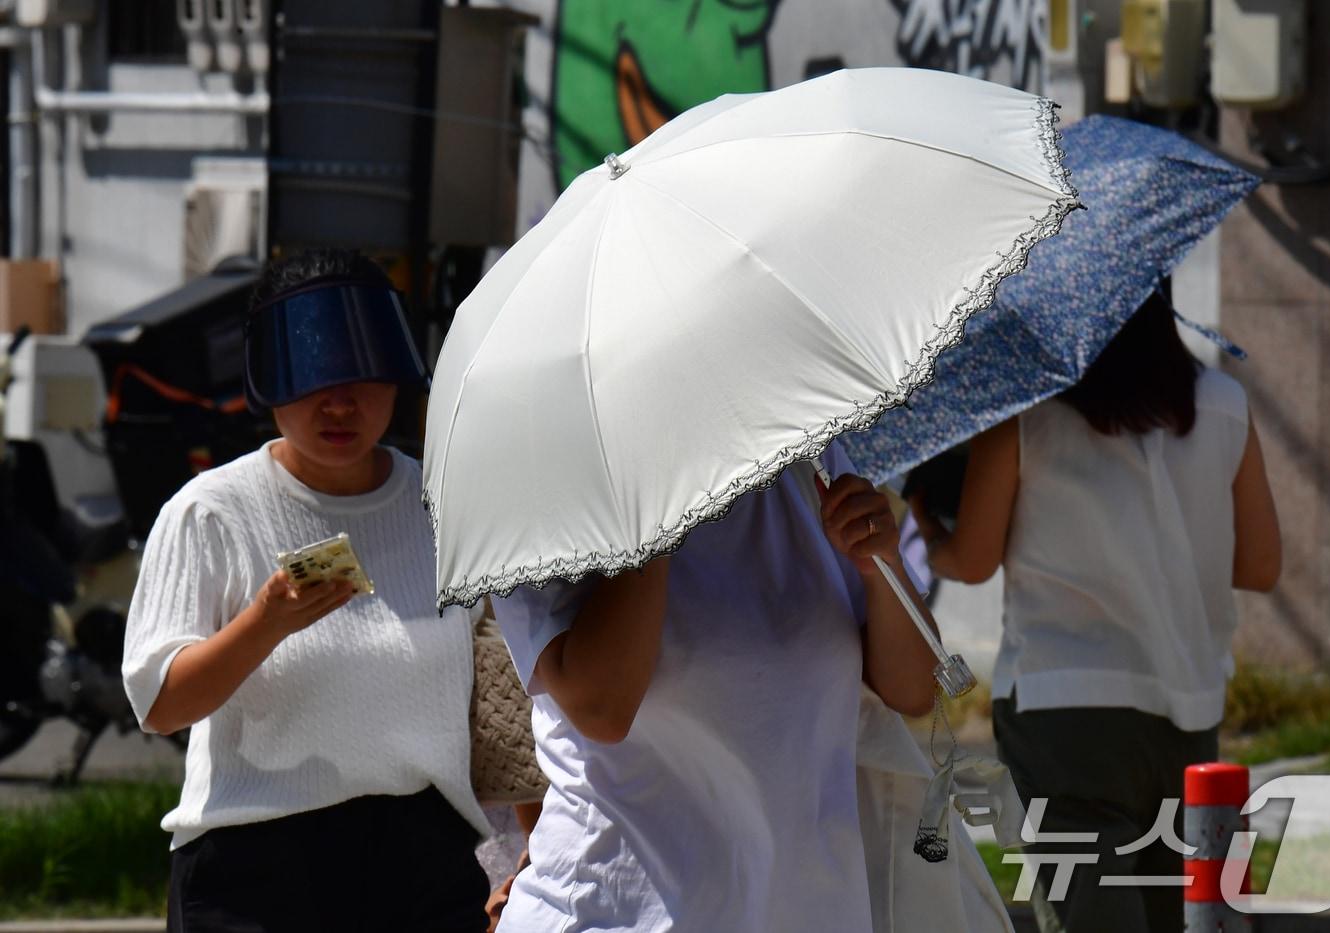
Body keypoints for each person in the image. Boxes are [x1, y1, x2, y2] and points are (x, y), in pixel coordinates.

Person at [122, 250, 492, 932]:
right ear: (269, 382)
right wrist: (264, 622)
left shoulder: (441, 501)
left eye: (365, 376)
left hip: (424, 859)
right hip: (256, 864)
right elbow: (161, 704)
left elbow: (499, 692)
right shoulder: (212, 511)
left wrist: (520, 847)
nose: (341, 403)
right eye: (315, 377)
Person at [909, 288, 1282, 933]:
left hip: (1062, 712)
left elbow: (973, 561)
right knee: (1182, 914)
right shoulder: (1223, 405)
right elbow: (1260, 565)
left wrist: (930, 539)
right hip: (1188, 710)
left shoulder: (1025, 415)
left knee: (1091, 912)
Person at [490, 443, 939, 932]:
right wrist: (660, 508)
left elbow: (915, 690)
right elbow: (602, 709)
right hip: (622, 915)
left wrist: (881, 563)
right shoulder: (540, 486)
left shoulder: (801, 455)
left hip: (812, 911)